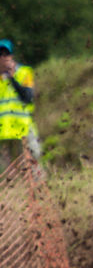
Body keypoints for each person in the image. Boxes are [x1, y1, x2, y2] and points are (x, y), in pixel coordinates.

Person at [0, 39, 40, 171]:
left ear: (11, 56)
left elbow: (27, 98)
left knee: (34, 167)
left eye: (6, 54)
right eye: (0, 54)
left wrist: (12, 78)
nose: (3, 58)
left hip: (24, 130)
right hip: (3, 135)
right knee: (9, 174)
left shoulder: (24, 72)